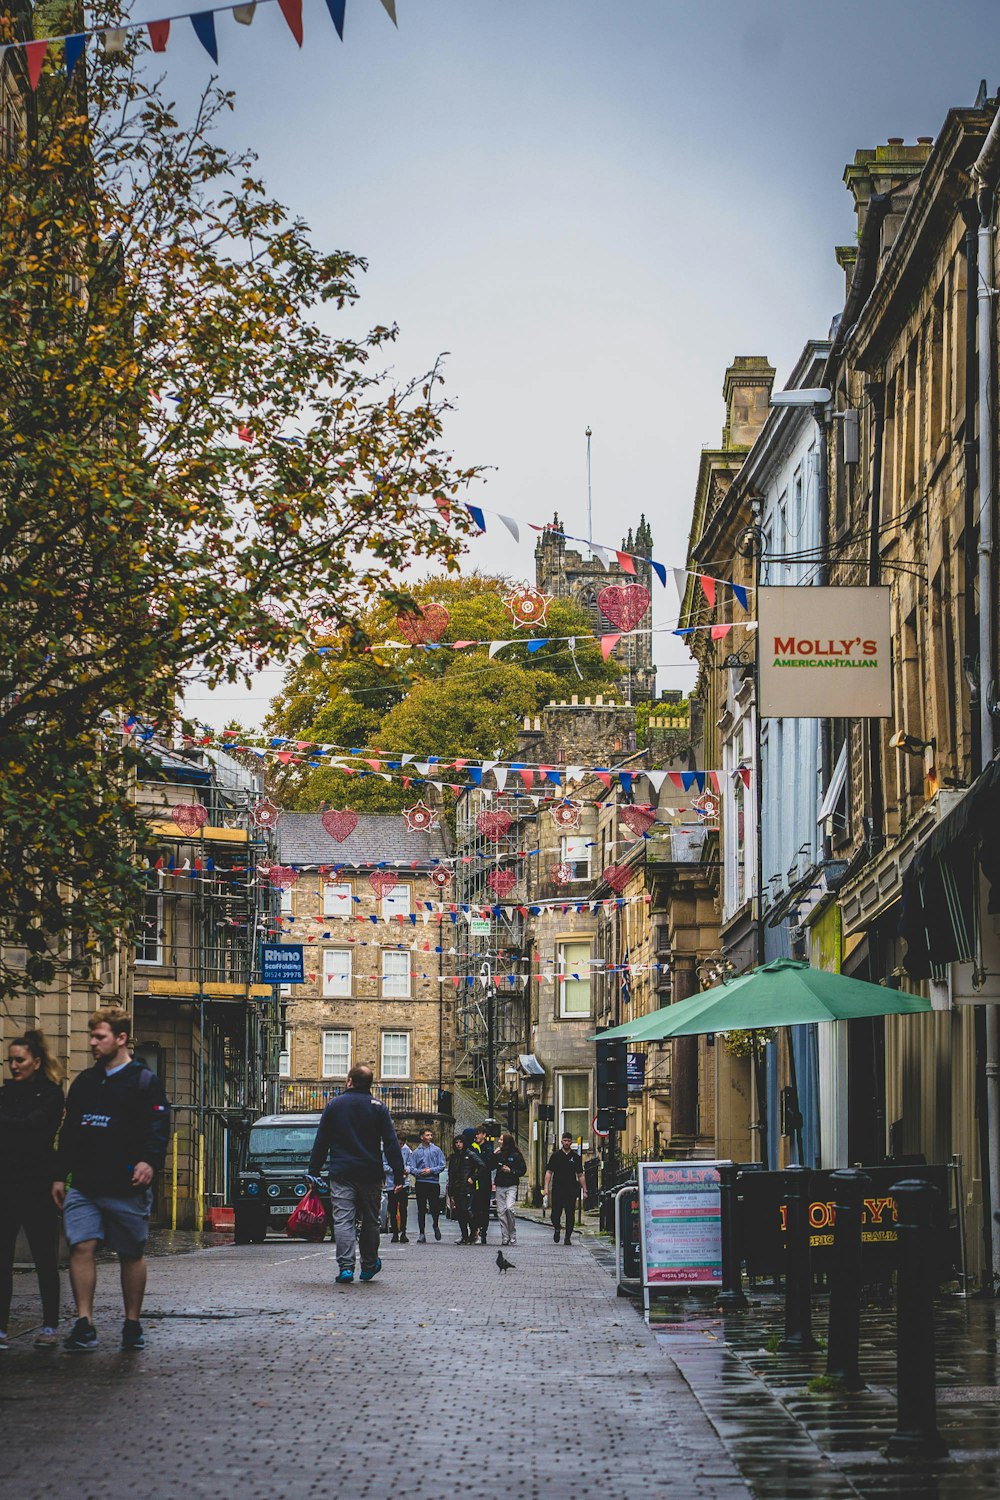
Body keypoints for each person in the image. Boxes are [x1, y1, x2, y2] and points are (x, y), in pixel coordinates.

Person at [53, 1007, 171, 1352]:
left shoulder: (144, 1081)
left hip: (126, 1185)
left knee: (130, 1252)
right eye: (92, 1036)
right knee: (81, 1245)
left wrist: (149, 1162)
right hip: (86, 1185)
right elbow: (70, 1131)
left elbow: (158, 1129)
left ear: (120, 1039)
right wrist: (59, 1175)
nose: (92, 1043)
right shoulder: (85, 1082)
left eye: (99, 1037)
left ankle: (132, 1322)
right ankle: (84, 1322)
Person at [307, 1063, 405, 1284]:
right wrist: (399, 1175)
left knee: (343, 1220)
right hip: (371, 1173)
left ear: (349, 1081)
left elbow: (321, 1142)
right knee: (371, 1221)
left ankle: (346, 1268)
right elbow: (391, 1144)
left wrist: (314, 1173)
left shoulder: (334, 1106)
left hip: (341, 1173)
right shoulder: (378, 1107)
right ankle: (369, 1266)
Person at [0, 1030, 65, 1350]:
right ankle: (0, 1328)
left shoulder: (51, 1095)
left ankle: (50, 1325)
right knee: (1, 1260)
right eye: (10, 1060)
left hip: (38, 1186)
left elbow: (33, 1127)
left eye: (20, 1060)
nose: (13, 1066)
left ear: (36, 1062)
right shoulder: (5, 1093)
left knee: (44, 1260)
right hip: (6, 1185)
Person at [544, 1133, 585, 1246]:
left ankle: (568, 1237)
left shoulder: (576, 1157)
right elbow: (549, 1172)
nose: (566, 1143)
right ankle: (557, 1228)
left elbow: (580, 1174)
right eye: (565, 1140)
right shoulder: (555, 1156)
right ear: (561, 1142)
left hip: (571, 1189)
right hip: (557, 1188)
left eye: (568, 1141)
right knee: (555, 1213)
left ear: (571, 1142)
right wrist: (546, 1187)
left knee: (570, 1214)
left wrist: (585, 1190)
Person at [409, 1127, 446, 1242]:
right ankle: (421, 1233)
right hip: (421, 1182)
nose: (430, 1137)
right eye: (427, 1135)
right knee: (421, 1208)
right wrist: (420, 1172)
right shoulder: (416, 1152)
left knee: (434, 1207)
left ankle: (435, 1224)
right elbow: (412, 1167)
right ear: (422, 1137)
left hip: (433, 1182)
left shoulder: (436, 1150)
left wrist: (431, 1170)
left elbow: (442, 1165)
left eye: (431, 1135)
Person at [492, 1132, 526, 1249]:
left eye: (501, 1140)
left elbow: (522, 1170)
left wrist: (511, 1171)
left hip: (511, 1185)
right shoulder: (499, 1154)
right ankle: (505, 1236)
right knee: (501, 1211)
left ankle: (512, 1233)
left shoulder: (516, 1155)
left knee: (509, 1208)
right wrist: (494, 1155)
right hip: (500, 1185)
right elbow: (490, 1165)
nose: (499, 1141)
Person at [467, 1124, 495, 1245]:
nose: (476, 1136)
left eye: (478, 1134)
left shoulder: (488, 1148)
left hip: (483, 1182)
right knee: (472, 1209)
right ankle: (473, 1231)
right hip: (472, 1183)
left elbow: (487, 1165)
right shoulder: (472, 1147)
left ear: (484, 1135)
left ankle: (482, 1233)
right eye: (475, 1134)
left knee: (483, 1209)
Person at [446, 1135, 473, 1244]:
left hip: (466, 1188)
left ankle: (473, 1232)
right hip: (456, 1188)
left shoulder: (470, 1155)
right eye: (456, 1142)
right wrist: (450, 1191)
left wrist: (472, 1178)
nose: (458, 1144)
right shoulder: (453, 1157)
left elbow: (481, 1166)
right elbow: (451, 1174)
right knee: (460, 1214)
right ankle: (464, 1235)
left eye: (460, 1142)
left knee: (466, 1211)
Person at [389, 1131, 412, 1243]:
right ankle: (394, 1232)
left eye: (402, 1143)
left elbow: (410, 1164)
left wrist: (406, 1170)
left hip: (404, 1182)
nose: (401, 1145)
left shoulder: (407, 1150)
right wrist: (394, 1170)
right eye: (399, 1143)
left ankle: (403, 1232)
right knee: (392, 1209)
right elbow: (384, 1164)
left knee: (403, 1208)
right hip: (391, 1182)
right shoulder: (389, 1149)